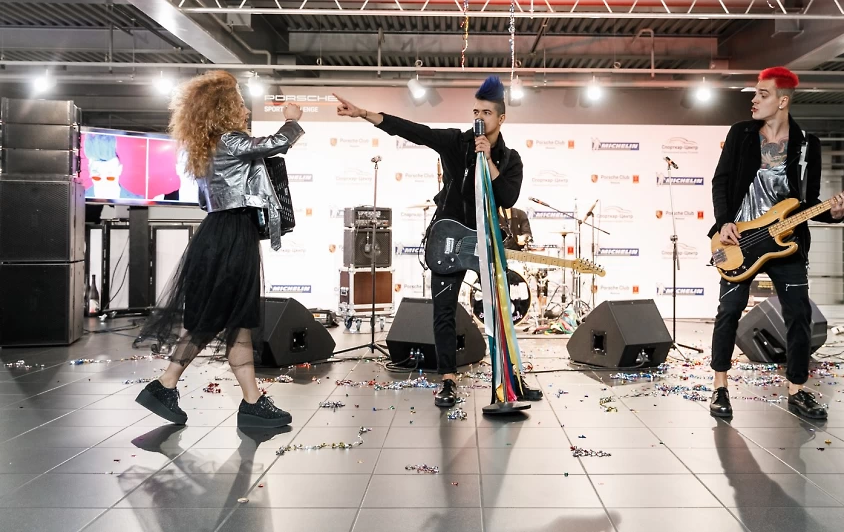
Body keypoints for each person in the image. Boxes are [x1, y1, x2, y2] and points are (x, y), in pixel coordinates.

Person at [335, 75, 542, 407]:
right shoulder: (456, 142)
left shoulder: (510, 158)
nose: (479, 117)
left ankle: (511, 379)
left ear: (501, 118)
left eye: (486, 113)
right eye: (476, 111)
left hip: (485, 240)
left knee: (501, 312)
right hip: (449, 238)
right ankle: (447, 380)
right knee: (444, 311)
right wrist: (364, 114)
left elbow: (507, 196)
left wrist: (488, 159)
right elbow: (414, 130)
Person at [134, 70, 304, 428]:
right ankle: (166, 384)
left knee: (237, 320)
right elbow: (272, 144)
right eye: (239, 103)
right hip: (231, 236)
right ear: (224, 107)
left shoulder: (208, 145)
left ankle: (251, 401)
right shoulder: (229, 140)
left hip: (223, 233)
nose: (245, 108)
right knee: (214, 317)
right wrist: (291, 121)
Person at [708, 66, 844, 420]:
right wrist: (724, 222)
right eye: (755, 93)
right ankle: (720, 386)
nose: (754, 100)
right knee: (729, 310)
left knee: (799, 314)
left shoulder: (807, 144)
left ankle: (797, 389)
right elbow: (720, 181)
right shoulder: (741, 134)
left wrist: (834, 213)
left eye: (763, 94)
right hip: (741, 238)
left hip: (787, 242)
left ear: (783, 101)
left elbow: (808, 202)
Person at [83, 133, 145, 200]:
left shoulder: (139, 201)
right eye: (97, 178)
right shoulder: (77, 199)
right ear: (89, 170)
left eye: (109, 177)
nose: (103, 183)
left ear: (119, 170)